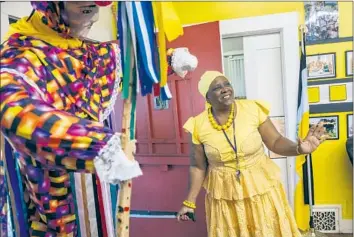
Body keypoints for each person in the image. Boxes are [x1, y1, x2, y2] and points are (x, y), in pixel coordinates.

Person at [0, 2, 142, 236]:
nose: (92, 14)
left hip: (99, 194)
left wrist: (165, 60)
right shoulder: (19, 53)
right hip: (52, 202)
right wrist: (95, 146)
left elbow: (121, 57)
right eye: (84, 8)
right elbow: (14, 107)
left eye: (95, 9)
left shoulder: (86, 50)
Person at [177, 71, 327, 237]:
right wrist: (189, 202)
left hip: (260, 188)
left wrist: (298, 149)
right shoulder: (198, 125)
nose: (225, 89)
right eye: (217, 88)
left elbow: (275, 141)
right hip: (225, 197)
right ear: (207, 98)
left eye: (227, 84)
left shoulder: (252, 109)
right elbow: (198, 167)